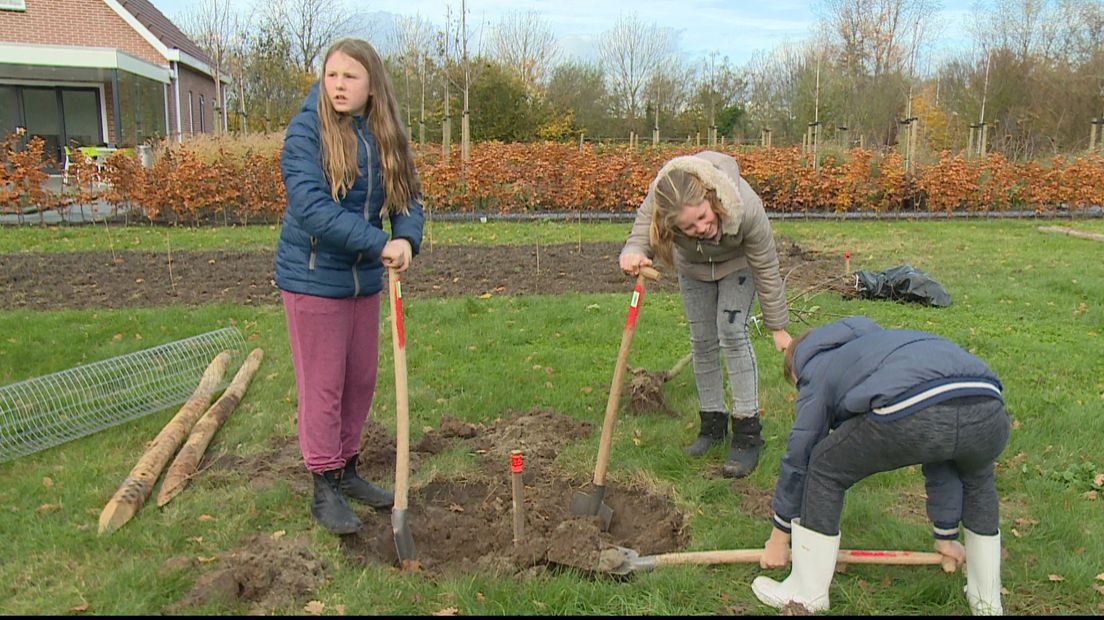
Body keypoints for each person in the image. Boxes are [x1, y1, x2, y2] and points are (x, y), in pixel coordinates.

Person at [753, 316, 1009, 615]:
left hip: (909, 409)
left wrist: (779, 538)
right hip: (987, 402)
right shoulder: (882, 344)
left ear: (796, 369)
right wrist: (946, 533)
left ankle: (806, 593)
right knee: (976, 478)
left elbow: (801, 454)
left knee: (823, 466)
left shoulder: (815, 366)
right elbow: (941, 442)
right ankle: (986, 599)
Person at [275, 38, 425, 535]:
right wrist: (377, 243)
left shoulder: (385, 134)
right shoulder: (306, 131)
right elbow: (311, 209)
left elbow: (408, 198)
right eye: (332, 75)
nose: (338, 85)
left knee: (360, 379)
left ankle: (348, 469)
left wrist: (405, 237)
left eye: (350, 77)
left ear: (372, 86)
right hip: (315, 278)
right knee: (323, 385)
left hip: (364, 282)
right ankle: (324, 484)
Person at [619, 151, 792, 478]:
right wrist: (633, 251)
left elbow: (766, 266)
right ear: (672, 224)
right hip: (694, 270)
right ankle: (712, 427)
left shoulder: (744, 204)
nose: (703, 227)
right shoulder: (662, 193)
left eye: (703, 216)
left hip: (738, 265)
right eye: (689, 226)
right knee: (702, 341)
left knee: (731, 333)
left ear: (710, 198)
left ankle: (747, 433)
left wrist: (778, 326)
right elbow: (643, 228)